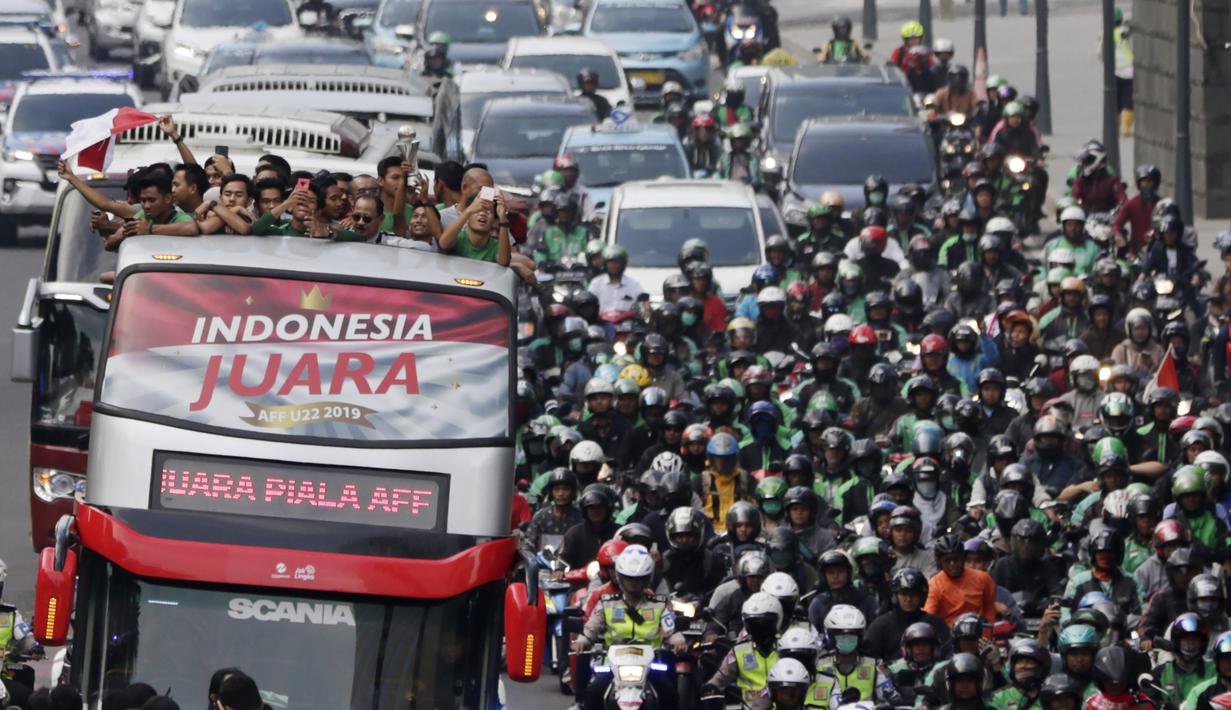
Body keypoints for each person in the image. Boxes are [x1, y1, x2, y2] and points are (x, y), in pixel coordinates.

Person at [578, 545, 685, 710]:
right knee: (593, 692)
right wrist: (582, 640)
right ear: (621, 578)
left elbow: (671, 629)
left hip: (651, 663)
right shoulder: (607, 602)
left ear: (647, 579)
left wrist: (678, 641)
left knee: (669, 693)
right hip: (612, 664)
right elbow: (592, 626)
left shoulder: (659, 604)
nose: (634, 583)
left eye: (639, 579)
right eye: (629, 578)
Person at [703, 593, 784, 710]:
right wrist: (711, 687)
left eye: (763, 623)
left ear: (776, 620)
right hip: (748, 706)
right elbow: (721, 677)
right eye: (753, 623)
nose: (758, 628)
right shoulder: (739, 651)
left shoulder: (786, 647)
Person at [865, 567, 952, 662]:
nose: (908, 599)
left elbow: (947, 654)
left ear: (921, 597)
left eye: (913, 594)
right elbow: (869, 657)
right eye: (904, 594)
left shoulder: (935, 623)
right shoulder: (881, 624)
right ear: (896, 596)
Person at [816, 604, 898, 704]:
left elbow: (891, 696)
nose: (847, 639)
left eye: (852, 635)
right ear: (831, 636)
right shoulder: (819, 665)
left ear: (860, 636)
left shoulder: (873, 665)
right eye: (841, 635)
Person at [924, 534, 998, 626]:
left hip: (977, 632)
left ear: (962, 558)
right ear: (940, 562)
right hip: (948, 635)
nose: (952, 564)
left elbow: (989, 611)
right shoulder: (934, 585)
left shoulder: (984, 578)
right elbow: (928, 617)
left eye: (956, 559)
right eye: (947, 560)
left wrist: (987, 634)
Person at [989, 640, 1052, 710]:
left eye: (1029, 662)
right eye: (1019, 662)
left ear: (1040, 668)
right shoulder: (999, 697)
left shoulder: (1050, 697)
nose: (1023, 666)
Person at [588, 244, 646, 312]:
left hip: (626, 321)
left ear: (623, 263)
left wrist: (646, 308)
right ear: (605, 264)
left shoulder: (633, 284)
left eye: (617, 262)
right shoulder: (596, 283)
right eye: (610, 262)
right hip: (601, 321)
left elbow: (644, 301)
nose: (613, 265)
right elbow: (588, 302)